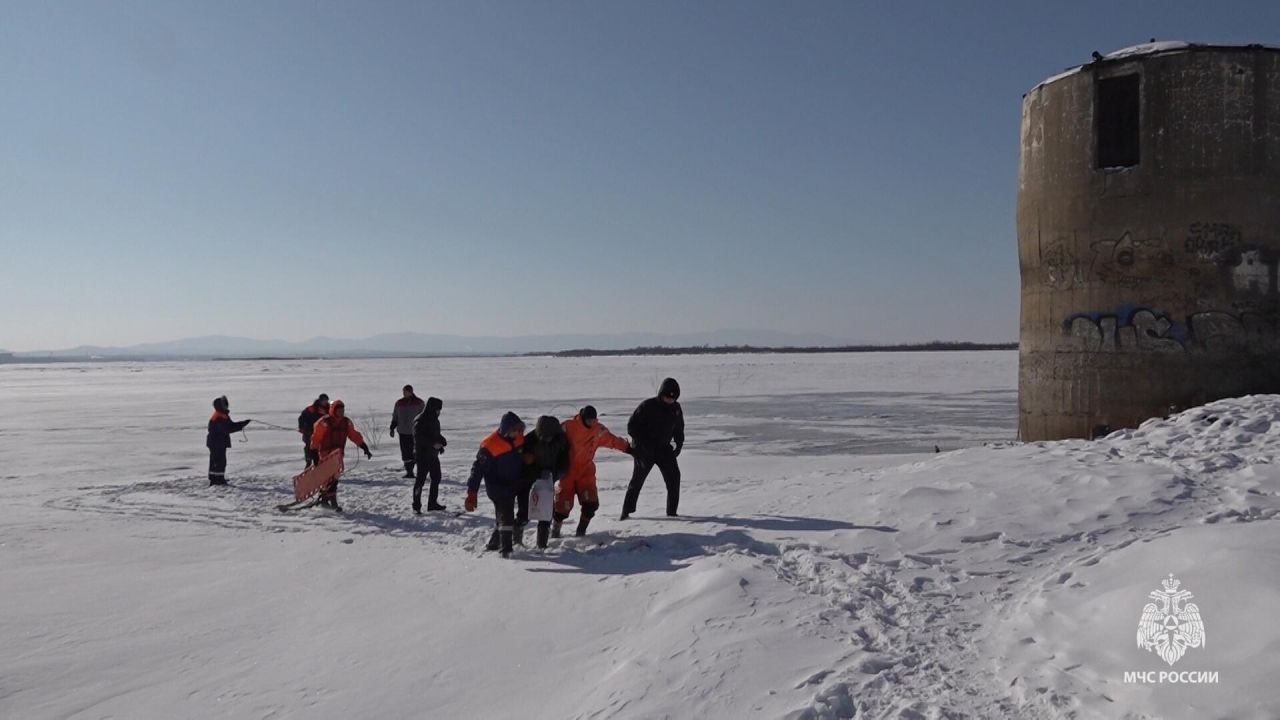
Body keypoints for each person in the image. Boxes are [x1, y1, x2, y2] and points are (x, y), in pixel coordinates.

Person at [557, 405, 631, 538]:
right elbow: (551, 438)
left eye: (593, 420)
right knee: (561, 509)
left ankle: (581, 532)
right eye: (589, 420)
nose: (591, 422)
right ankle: (555, 531)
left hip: (585, 473)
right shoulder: (568, 426)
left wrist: (627, 448)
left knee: (591, 504)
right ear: (582, 418)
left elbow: (612, 440)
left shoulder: (598, 430)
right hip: (567, 472)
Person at [464, 412, 525, 558]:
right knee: (506, 515)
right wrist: (472, 493)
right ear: (506, 429)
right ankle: (506, 551)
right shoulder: (489, 445)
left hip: (513, 484)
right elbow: (477, 470)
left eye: (519, 430)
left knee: (504, 517)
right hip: (497, 486)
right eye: (514, 430)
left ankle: (493, 544)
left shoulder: (519, 438)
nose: (517, 433)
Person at [621, 378, 684, 519]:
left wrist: (679, 445)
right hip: (645, 450)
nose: (669, 400)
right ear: (661, 394)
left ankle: (672, 513)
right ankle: (626, 512)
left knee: (674, 477)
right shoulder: (647, 406)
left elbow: (679, 429)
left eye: (672, 398)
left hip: (663, 449)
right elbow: (632, 427)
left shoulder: (676, 409)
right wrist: (642, 446)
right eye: (667, 397)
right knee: (637, 481)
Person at [309, 399, 373, 511]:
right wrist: (314, 454)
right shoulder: (324, 422)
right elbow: (316, 438)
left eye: (343, 410)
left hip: (338, 456)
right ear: (333, 410)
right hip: (325, 454)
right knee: (328, 479)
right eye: (339, 410)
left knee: (334, 478)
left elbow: (354, 435)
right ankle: (331, 502)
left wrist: (364, 447)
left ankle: (325, 500)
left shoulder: (346, 422)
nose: (341, 413)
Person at [519, 415, 570, 549]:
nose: (544, 438)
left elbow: (564, 464)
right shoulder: (529, 440)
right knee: (524, 512)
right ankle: (516, 539)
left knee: (546, 513)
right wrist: (534, 472)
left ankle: (542, 544)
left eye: (547, 436)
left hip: (548, 481)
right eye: (541, 435)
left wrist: (554, 475)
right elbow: (522, 463)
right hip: (528, 481)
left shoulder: (561, 441)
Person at [411, 396, 447, 513]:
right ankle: (416, 505)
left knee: (436, 477)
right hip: (422, 455)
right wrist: (433, 444)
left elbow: (434, 434)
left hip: (432, 455)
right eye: (438, 409)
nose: (439, 412)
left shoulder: (434, 419)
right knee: (420, 480)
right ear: (432, 408)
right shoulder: (420, 419)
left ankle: (432, 503)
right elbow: (419, 437)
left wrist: (441, 442)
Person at [206, 396, 250, 486]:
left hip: (218, 442)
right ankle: (217, 480)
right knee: (219, 462)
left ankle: (215, 479)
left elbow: (231, 425)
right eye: (224, 404)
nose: (226, 406)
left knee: (217, 461)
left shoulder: (223, 415)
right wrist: (242, 425)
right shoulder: (218, 417)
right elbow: (227, 429)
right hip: (216, 443)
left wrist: (243, 423)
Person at [389, 385, 426, 479]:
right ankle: (409, 472)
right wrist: (392, 427)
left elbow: (425, 416)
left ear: (411, 392)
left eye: (406, 391)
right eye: (403, 391)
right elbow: (395, 416)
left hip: (416, 432)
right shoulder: (399, 403)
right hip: (403, 431)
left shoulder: (419, 403)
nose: (404, 393)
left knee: (417, 453)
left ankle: (421, 472)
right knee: (405, 453)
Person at [297, 394, 330, 469]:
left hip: (322, 433)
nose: (325, 402)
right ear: (320, 400)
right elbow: (301, 418)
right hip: (309, 432)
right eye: (324, 400)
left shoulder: (329, 409)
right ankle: (308, 463)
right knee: (309, 447)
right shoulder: (311, 409)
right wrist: (301, 427)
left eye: (326, 401)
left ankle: (323, 464)